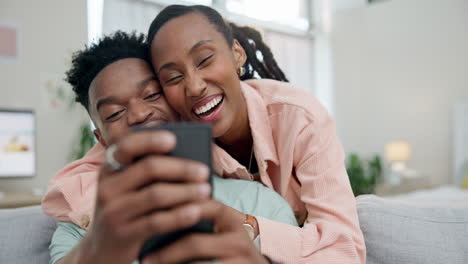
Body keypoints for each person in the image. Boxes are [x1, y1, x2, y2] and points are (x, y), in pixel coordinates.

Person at [42, 31, 297, 264]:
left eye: (152, 95)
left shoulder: (259, 203)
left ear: (178, 101)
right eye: (115, 113)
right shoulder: (81, 224)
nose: (139, 114)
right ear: (102, 140)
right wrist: (99, 248)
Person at [144, 4, 366, 263]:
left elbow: (346, 250)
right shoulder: (174, 135)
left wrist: (247, 227)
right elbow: (93, 168)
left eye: (204, 60)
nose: (194, 86)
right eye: (173, 77)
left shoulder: (300, 118)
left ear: (237, 54)